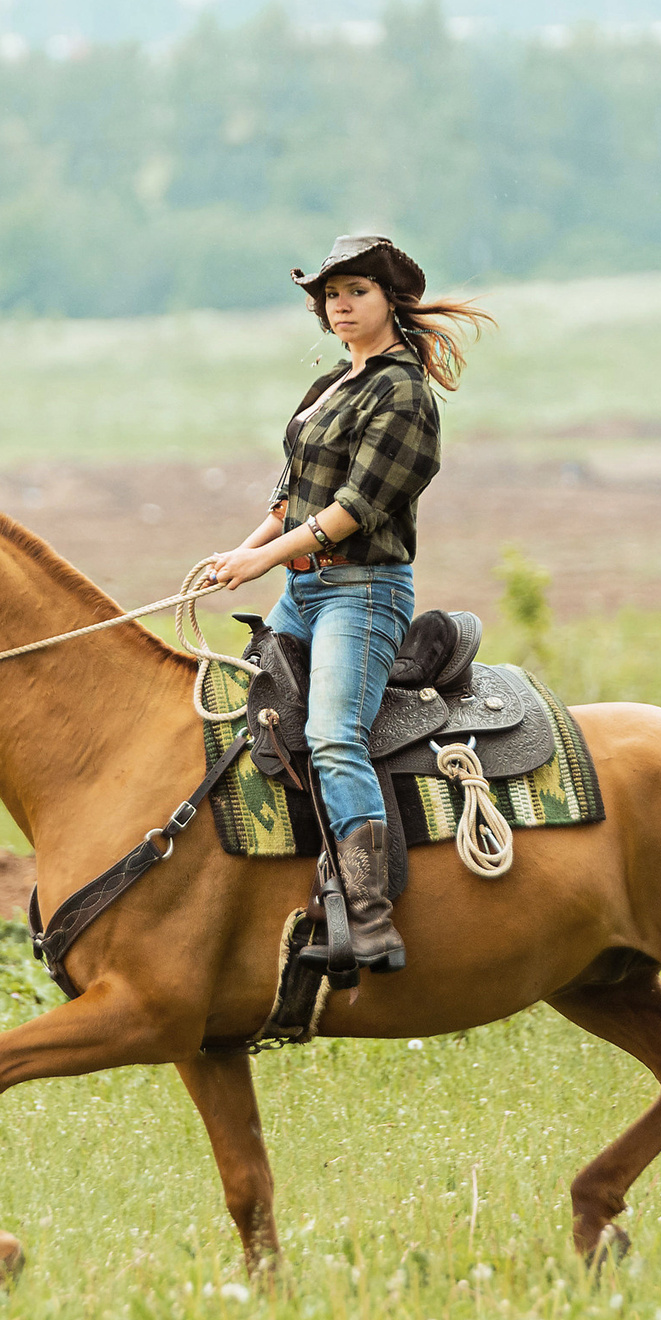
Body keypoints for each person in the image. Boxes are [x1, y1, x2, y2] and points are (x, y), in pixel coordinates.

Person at [207, 234, 493, 973]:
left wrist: (262, 559)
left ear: (389, 300)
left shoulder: (403, 393)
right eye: (331, 294)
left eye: (356, 291)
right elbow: (290, 499)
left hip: (362, 592)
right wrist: (237, 555)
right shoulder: (331, 385)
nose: (340, 304)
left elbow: (354, 508)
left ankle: (369, 914)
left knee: (334, 735)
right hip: (302, 589)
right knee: (248, 716)